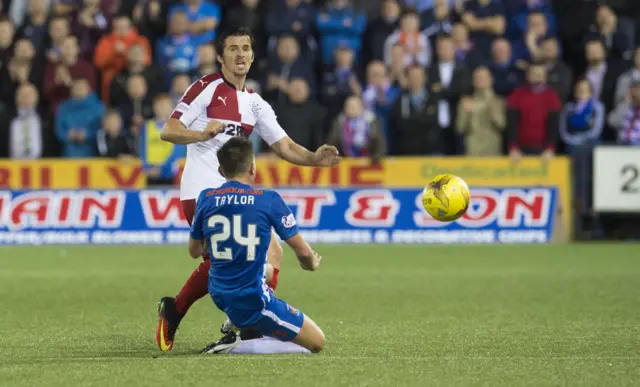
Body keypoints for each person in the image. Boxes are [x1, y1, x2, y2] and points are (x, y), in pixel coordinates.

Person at [156, 26, 341, 353]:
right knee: (235, 261)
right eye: (233, 48)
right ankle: (223, 321)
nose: (240, 54)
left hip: (235, 195)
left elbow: (284, 146)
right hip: (201, 193)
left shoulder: (255, 103)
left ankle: (225, 322)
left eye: (245, 48)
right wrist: (201, 136)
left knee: (269, 254)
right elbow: (169, 130)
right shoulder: (207, 87)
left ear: (253, 56)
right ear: (220, 56)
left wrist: (314, 159)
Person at [189, 137, 325, 355]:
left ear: (220, 170)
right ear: (252, 167)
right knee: (316, 342)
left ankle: (237, 319)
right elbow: (303, 252)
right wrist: (310, 263)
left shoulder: (206, 198)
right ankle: (236, 344)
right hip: (251, 297)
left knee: (272, 254)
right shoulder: (267, 199)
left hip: (218, 289)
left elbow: (194, 251)